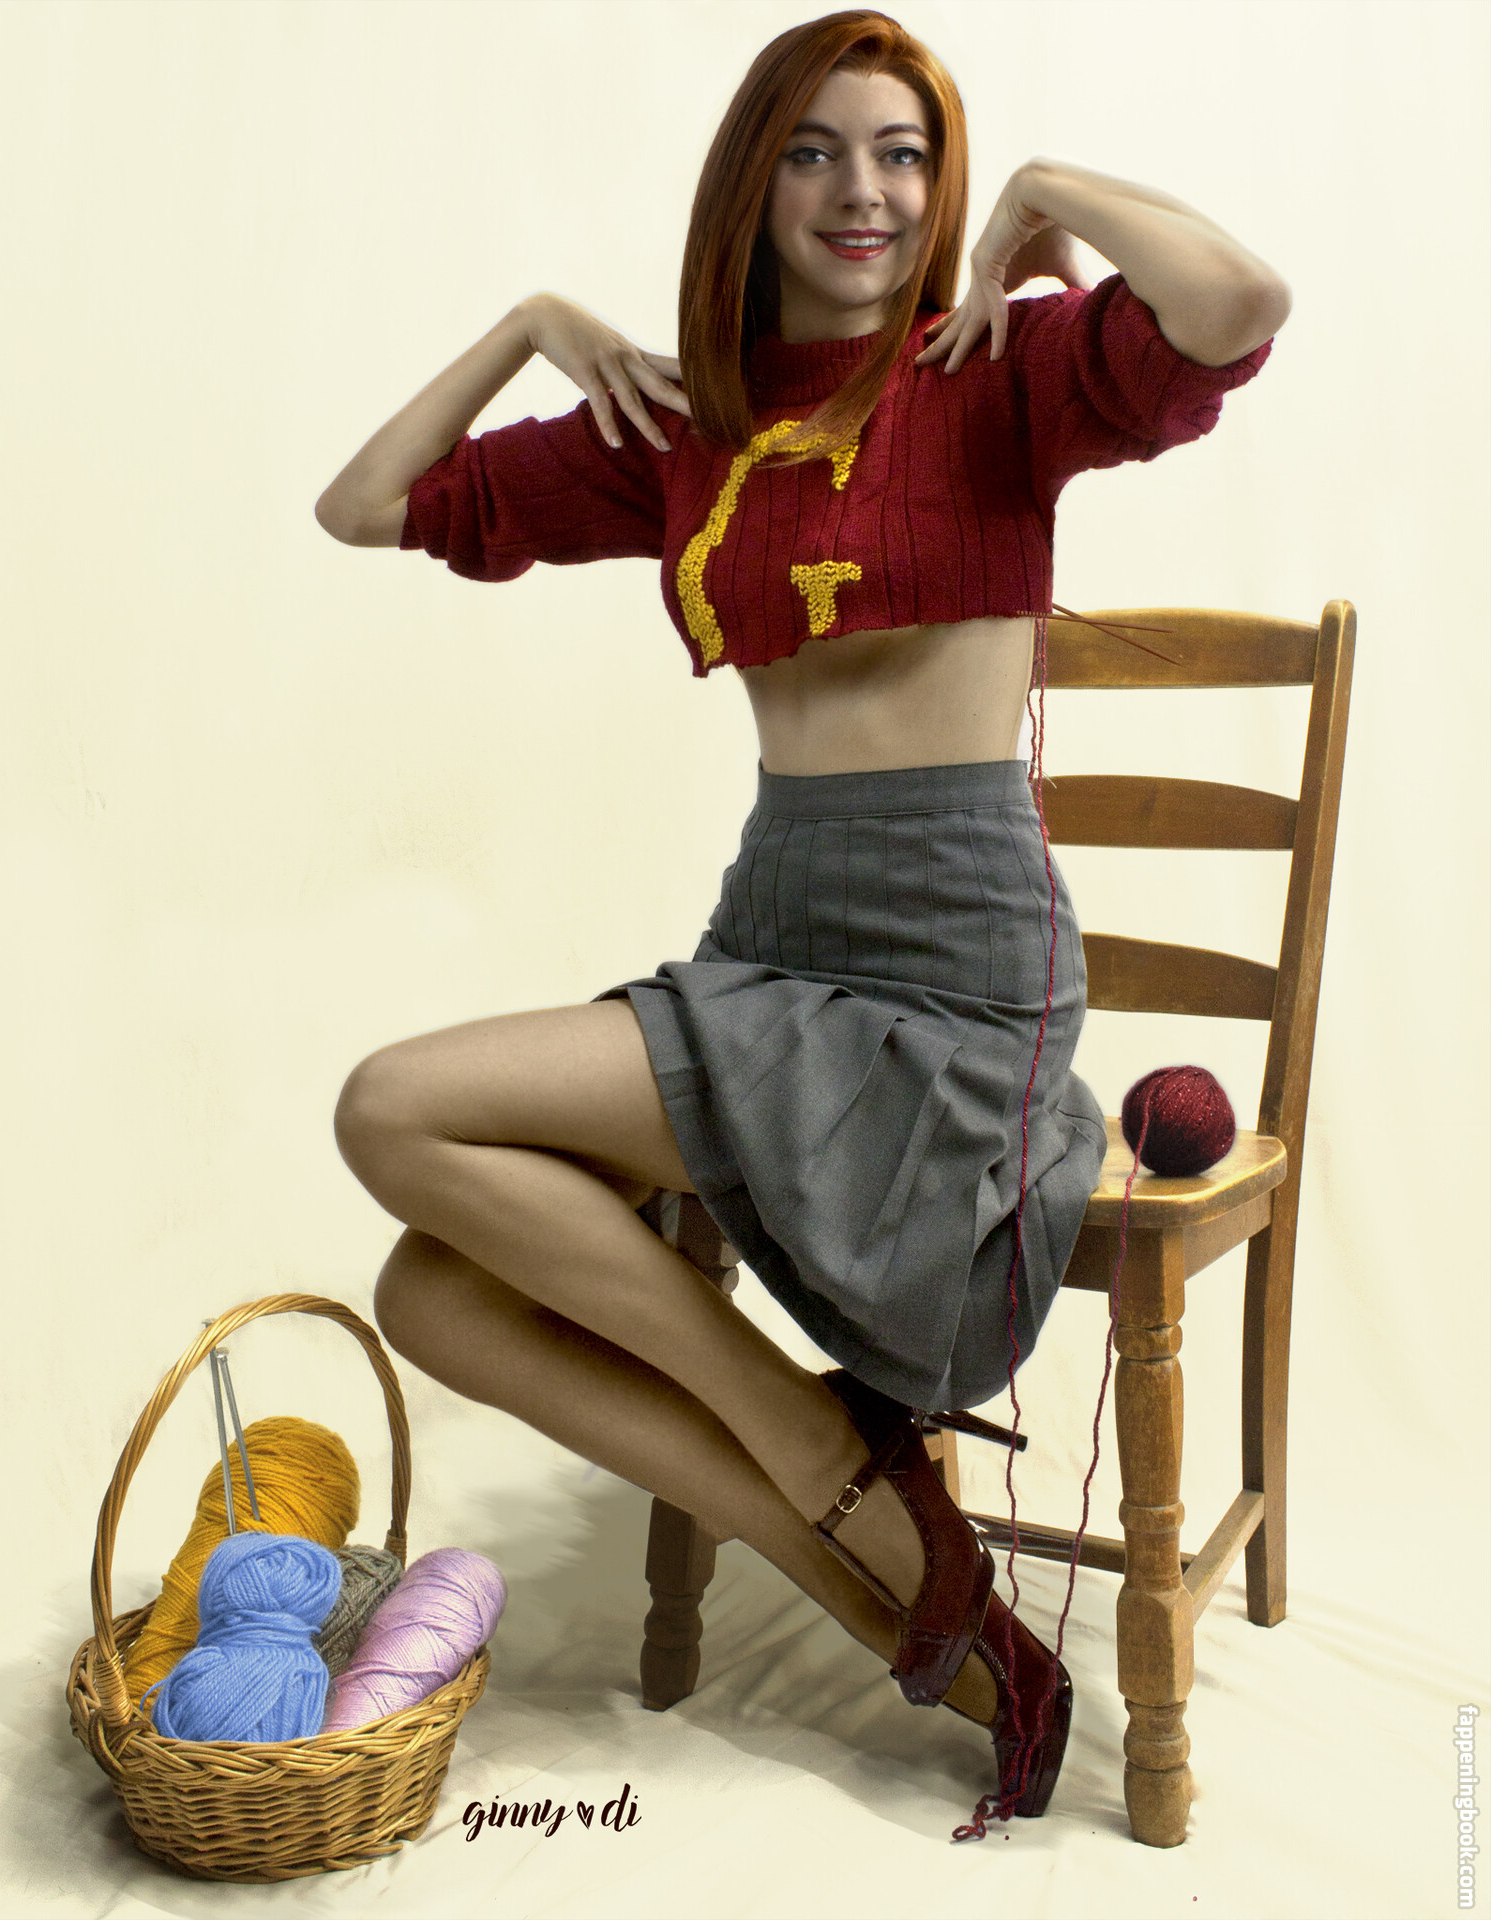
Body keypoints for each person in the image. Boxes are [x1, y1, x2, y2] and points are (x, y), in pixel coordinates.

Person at [314, 8, 1287, 1827]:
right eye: (818, 152)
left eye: (906, 154)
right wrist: (537, 323)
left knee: (395, 1111)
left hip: (958, 967)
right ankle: (840, 1517)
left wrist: (1046, 188)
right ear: (753, 189)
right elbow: (363, 505)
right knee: (427, 1286)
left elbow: (1237, 302)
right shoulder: (687, 423)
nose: (866, 192)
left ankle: (825, 1469)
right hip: (771, 937)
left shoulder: (1000, 368)